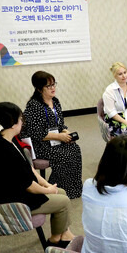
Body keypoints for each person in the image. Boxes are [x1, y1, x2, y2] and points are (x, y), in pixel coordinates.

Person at [0, 102, 75, 248]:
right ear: (13, 123)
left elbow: (29, 168)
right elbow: (29, 186)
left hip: (12, 190)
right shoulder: (4, 149)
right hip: (11, 200)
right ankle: (55, 240)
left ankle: (64, 234)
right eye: (21, 119)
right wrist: (48, 190)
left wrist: (46, 184)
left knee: (62, 192)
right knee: (64, 202)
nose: (22, 123)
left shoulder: (6, 138)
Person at [22, 71, 83, 199]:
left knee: (75, 149)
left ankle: (73, 189)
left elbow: (60, 124)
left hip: (55, 140)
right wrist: (58, 137)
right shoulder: (34, 106)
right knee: (64, 154)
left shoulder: (55, 101)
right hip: (41, 144)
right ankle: (56, 187)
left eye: (54, 84)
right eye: (48, 86)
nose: (53, 88)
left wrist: (65, 132)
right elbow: (35, 133)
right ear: (39, 89)